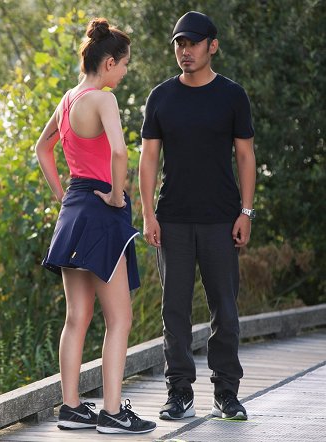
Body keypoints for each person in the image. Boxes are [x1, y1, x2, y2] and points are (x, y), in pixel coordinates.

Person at [35, 17, 156, 435]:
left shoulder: (69, 99)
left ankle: (71, 409)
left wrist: (62, 197)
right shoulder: (103, 100)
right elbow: (120, 153)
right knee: (119, 318)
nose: (124, 72)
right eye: (124, 65)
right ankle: (112, 413)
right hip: (102, 210)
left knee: (76, 318)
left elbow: (42, 148)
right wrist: (118, 196)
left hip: (74, 209)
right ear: (108, 63)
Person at [139, 11, 256, 421]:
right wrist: (148, 213)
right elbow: (148, 158)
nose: (184, 51)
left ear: (212, 46)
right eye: (179, 44)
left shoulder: (232, 95)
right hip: (172, 218)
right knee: (174, 310)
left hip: (222, 219)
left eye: (192, 43)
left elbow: (245, 155)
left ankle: (226, 392)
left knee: (224, 307)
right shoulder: (161, 97)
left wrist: (245, 211)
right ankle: (179, 393)